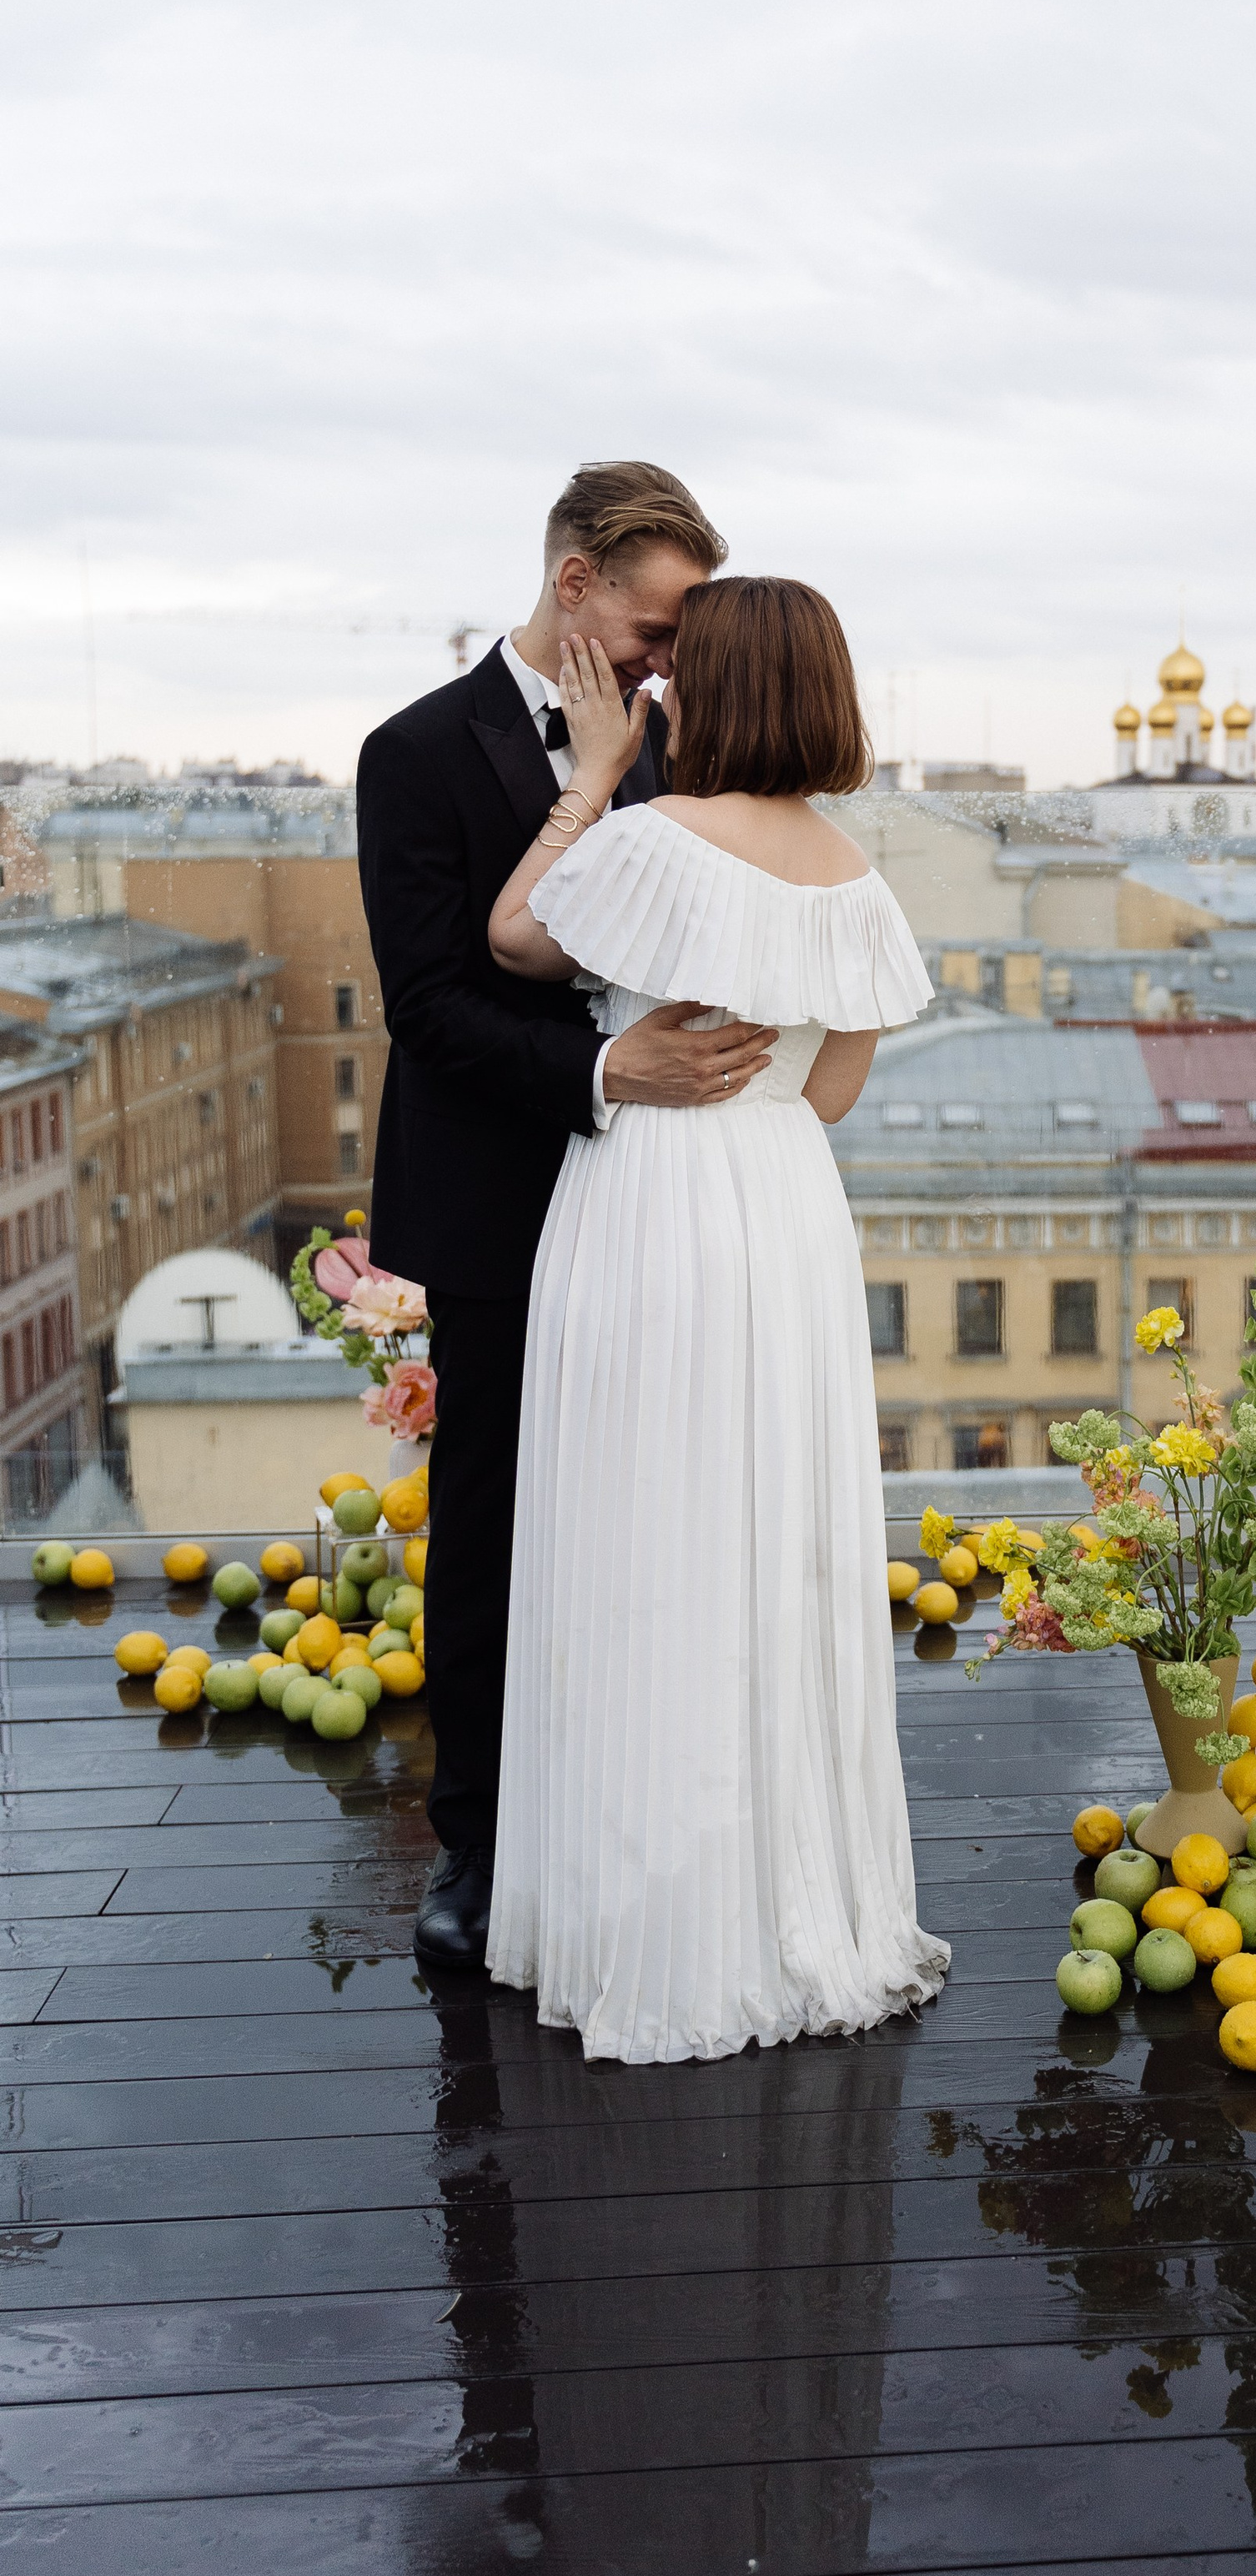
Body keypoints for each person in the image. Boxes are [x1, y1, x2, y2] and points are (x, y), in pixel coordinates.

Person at [483, 575, 949, 2061]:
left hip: (654, 1197)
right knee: (774, 1540)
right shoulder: (859, 881)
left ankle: (647, 1922)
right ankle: (797, 1904)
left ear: (717, 691)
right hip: (786, 1204)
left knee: (643, 1533)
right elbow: (828, 1089)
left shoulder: (646, 841)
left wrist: (602, 769)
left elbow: (509, 942)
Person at [357, 461, 777, 1975]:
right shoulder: (412, 751)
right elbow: (432, 1009)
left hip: (659, 1205)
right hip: (501, 1207)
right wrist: (612, 1068)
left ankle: (624, 1825)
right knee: (491, 1530)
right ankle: (476, 1846)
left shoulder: (688, 753)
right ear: (575, 581)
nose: (672, 655)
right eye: (660, 621)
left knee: (643, 1526)